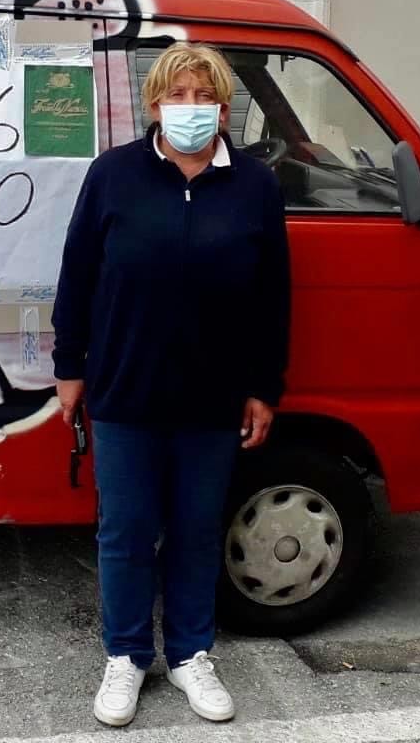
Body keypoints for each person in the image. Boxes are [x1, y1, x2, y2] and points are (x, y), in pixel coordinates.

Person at [52, 42, 290, 729]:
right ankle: (126, 655)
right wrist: (71, 366)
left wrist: (263, 385)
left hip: (213, 397)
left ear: (224, 106)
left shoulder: (254, 185)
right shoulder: (114, 175)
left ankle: (189, 654)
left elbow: (272, 296)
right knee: (125, 531)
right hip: (125, 389)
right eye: (177, 94)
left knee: (193, 530)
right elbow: (77, 276)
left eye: (204, 95)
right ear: (154, 104)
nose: (191, 107)